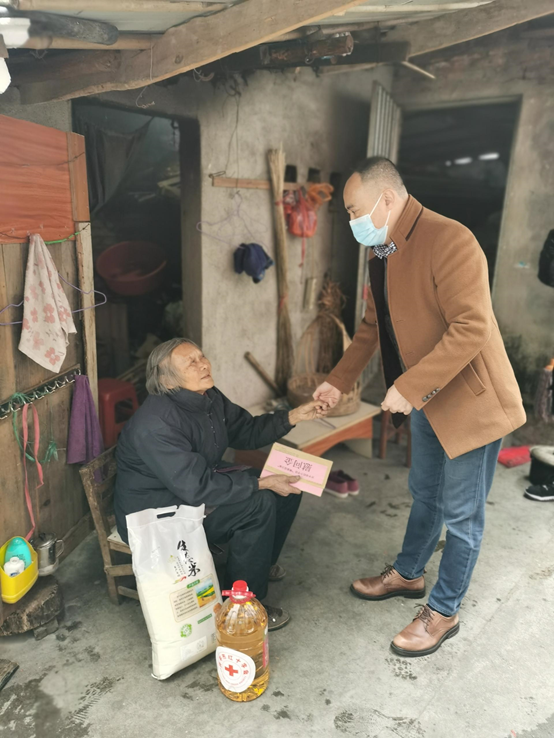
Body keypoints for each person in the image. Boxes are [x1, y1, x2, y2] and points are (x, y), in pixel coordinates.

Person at [314, 157, 525, 657]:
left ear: (386, 198)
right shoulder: (382, 251)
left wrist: (409, 388)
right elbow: (373, 327)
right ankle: (409, 574)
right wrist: (337, 382)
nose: (352, 221)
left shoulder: (450, 239)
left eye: (354, 210)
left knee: (462, 514)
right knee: (425, 492)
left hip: (471, 402)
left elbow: (472, 327)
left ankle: (443, 611)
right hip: (428, 398)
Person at [115, 338, 328, 630]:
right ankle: (244, 609)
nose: (203, 364)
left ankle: (258, 566)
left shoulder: (208, 397)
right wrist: (260, 484)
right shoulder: (156, 424)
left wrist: (294, 415)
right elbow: (196, 488)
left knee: (288, 488)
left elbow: (246, 431)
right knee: (259, 503)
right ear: (167, 380)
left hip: (191, 489)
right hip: (158, 513)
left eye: (201, 356)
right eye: (191, 362)